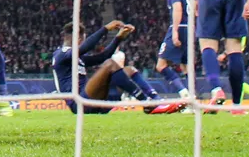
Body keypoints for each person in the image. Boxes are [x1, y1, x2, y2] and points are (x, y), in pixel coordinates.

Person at [52, 21, 182, 115]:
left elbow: (103, 56)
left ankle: (155, 100)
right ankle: (146, 103)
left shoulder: (76, 58)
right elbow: (87, 48)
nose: (83, 42)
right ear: (78, 38)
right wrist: (105, 29)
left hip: (91, 100)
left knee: (128, 70)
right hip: (79, 104)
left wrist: (119, 38)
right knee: (110, 64)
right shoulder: (61, 54)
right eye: (83, 39)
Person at [154, 0, 191, 101]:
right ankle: (192, 98)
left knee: (161, 65)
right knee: (186, 67)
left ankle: (184, 94)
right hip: (190, 28)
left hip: (179, 27)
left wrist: (175, 31)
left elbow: (177, 8)